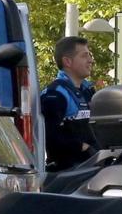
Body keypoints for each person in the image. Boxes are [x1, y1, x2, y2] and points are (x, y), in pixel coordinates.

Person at [40, 36, 97, 170]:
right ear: (67, 61)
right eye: (84, 56)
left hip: (92, 169)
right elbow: (49, 136)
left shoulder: (87, 91)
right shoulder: (54, 94)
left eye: (90, 55)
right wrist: (83, 147)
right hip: (66, 175)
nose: (90, 60)